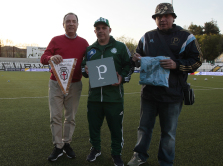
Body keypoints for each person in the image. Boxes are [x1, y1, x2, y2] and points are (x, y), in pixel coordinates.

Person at [127, 3, 202, 166]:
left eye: (166, 16)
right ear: (155, 19)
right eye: (158, 17)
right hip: (148, 92)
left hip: (173, 93)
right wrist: (135, 59)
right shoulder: (146, 37)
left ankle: (166, 162)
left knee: (168, 133)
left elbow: (197, 61)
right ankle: (139, 156)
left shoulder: (186, 37)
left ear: (173, 17)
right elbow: (138, 59)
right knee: (143, 128)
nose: (162, 19)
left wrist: (176, 64)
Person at [81, 17, 133, 166]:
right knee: (93, 127)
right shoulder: (90, 49)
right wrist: (84, 70)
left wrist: (122, 77)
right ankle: (95, 149)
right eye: (98, 28)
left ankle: (116, 153)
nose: (101, 30)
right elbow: (83, 68)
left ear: (109, 30)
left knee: (116, 128)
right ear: (95, 31)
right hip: (94, 98)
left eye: (104, 28)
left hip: (114, 98)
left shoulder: (121, 47)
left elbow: (129, 66)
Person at [40, 12, 89, 162]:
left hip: (74, 84)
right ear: (64, 24)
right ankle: (58, 146)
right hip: (56, 83)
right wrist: (50, 58)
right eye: (68, 21)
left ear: (78, 24)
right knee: (55, 116)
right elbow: (43, 58)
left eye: (74, 21)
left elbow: (88, 61)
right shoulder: (55, 40)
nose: (71, 24)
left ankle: (67, 143)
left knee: (70, 117)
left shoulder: (84, 43)